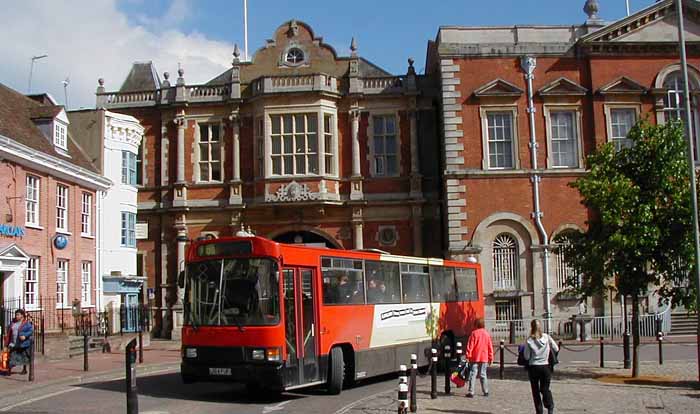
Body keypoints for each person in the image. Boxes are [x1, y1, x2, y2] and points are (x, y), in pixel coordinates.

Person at [523, 319, 559, 414]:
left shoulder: (529, 340)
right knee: (545, 388)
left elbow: (526, 356)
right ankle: (550, 406)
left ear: (532, 327)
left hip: (534, 367)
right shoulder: (547, 337)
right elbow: (556, 348)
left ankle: (539, 411)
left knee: (535, 391)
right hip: (545, 366)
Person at [465, 318, 493, 398]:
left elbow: (470, 346)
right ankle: (486, 391)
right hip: (484, 357)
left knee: (473, 374)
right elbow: (490, 347)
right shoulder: (486, 334)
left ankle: (471, 391)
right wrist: (490, 357)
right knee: (483, 374)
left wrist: (468, 355)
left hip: (474, 357)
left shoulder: (474, 333)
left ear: (476, 325)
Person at [4, 309, 33, 376]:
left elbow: (31, 331)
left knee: (24, 357)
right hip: (13, 343)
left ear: (22, 316)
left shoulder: (26, 323)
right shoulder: (13, 323)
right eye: (16, 315)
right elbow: (9, 334)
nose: (16, 316)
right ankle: (9, 370)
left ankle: (24, 369)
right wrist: (6, 344)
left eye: (18, 315)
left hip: (22, 343)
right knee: (11, 357)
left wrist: (25, 336)